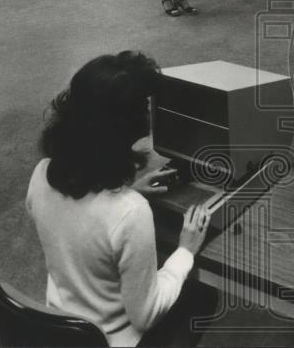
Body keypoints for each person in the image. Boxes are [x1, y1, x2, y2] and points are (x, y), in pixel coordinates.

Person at [27, 51, 216, 347]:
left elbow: (78, 227)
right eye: (145, 106)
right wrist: (185, 251)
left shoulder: (41, 175)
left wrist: (127, 193)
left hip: (60, 331)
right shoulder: (130, 213)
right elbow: (146, 315)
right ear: (128, 125)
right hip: (112, 341)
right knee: (203, 294)